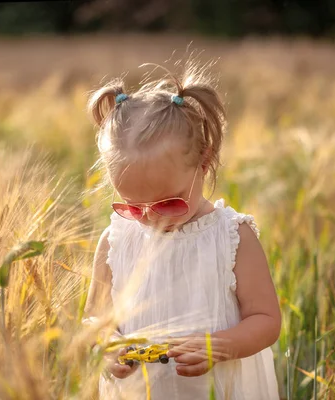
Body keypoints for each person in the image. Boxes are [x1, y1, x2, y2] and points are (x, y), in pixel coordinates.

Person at [83, 62, 281, 399]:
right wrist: (107, 345)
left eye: (167, 203)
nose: (149, 218)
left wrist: (218, 346)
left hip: (220, 389)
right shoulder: (116, 240)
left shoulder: (232, 237)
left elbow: (266, 320)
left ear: (205, 163)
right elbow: (93, 319)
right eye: (132, 205)